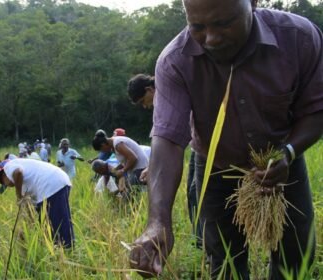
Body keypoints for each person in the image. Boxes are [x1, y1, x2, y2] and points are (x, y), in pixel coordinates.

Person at [130, 0, 323, 279]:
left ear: (253, 4)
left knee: (296, 256)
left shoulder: (298, 38)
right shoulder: (175, 61)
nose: (211, 39)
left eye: (223, 23)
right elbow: (168, 139)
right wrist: (158, 222)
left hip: (281, 164)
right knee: (224, 261)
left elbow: (316, 109)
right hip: (216, 167)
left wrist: (288, 153)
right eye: (197, 26)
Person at [128, 73, 202, 247]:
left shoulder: (169, 90)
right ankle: (200, 241)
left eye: (143, 101)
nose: (146, 106)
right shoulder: (167, 93)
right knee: (194, 194)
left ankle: (204, 243)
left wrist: (153, 167)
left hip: (207, 144)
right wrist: (152, 166)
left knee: (198, 193)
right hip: (197, 144)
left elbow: (170, 135)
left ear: (149, 89)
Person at [0, 158, 74, 248]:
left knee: (56, 221)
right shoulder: (25, 184)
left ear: (4, 174)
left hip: (50, 184)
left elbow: (18, 172)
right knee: (48, 222)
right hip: (57, 182)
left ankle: (65, 249)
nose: (6, 185)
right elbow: (31, 208)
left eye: (3, 181)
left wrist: (19, 196)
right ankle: (57, 248)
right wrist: (29, 224)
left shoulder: (8, 166)